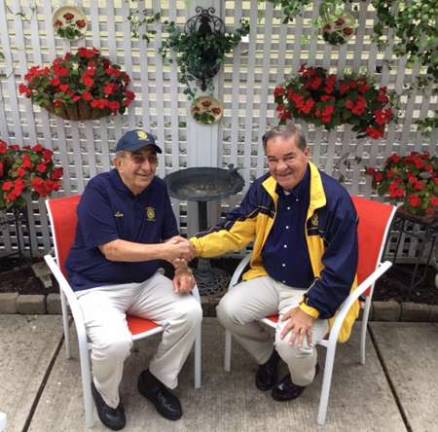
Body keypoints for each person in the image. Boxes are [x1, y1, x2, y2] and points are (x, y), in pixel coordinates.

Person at [189, 122, 359, 402]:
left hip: (313, 288)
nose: (281, 167)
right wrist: (194, 247)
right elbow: (235, 230)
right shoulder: (265, 189)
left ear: (307, 153)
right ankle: (267, 357)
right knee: (228, 311)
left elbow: (341, 269)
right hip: (270, 278)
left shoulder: (334, 201)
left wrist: (310, 308)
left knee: (291, 342)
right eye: (273, 159)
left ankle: (302, 375)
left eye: (289, 157)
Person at [66, 129, 202, 430]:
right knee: (115, 342)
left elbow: (170, 237)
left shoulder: (157, 188)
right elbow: (111, 250)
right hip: (96, 286)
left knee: (191, 312)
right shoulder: (99, 190)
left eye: (152, 159)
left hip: (143, 281)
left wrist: (180, 269)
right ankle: (107, 395)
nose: (147, 167)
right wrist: (165, 251)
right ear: (118, 163)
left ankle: (155, 380)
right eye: (138, 159)